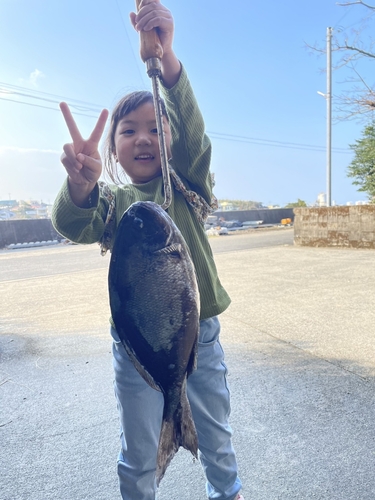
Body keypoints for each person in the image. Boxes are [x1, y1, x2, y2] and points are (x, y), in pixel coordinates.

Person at [52, 1, 243, 499]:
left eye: (157, 128)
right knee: (138, 452)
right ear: (112, 147)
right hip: (135, 347)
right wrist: (80, 187)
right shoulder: (112, 204)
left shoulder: (187, 183)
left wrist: (167, 57)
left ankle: (227, 492)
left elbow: (195, 136)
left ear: (172, 141)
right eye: (129, 130)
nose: (143, 138)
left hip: (197, 336)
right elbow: (73, 223)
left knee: (217, 442)